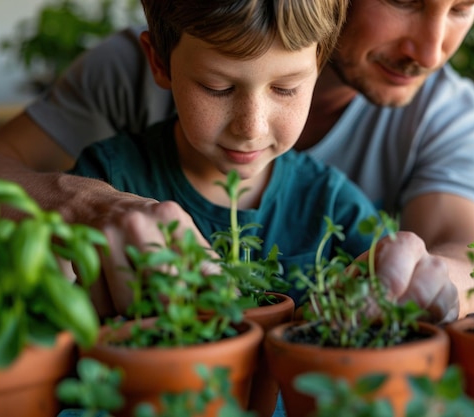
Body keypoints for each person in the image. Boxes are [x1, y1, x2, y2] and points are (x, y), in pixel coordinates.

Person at [0, 0, 474, 323]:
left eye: (463, 8)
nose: (433, 51)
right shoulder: (120, 121)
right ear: (160, 62)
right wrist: (78, 210)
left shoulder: (445, 118)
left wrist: (433, 279)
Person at [68, 0, 378, 316]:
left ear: (319, 66)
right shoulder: (107, 178)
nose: (250, 128)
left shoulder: (335, 204)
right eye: (218, 87)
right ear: (160, 62)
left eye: (286, 88)